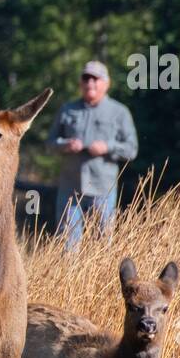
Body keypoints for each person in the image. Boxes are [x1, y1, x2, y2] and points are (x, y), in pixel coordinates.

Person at [47, 60, 139, 250]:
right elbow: (50, 144)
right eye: (86, 78)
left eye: (95, 79)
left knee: (102, 244)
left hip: (103, 189)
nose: (90, 83)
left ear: (106, 83)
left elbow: (132, 149)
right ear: (80, 83)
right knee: (68, 245)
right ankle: (69, 279)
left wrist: (107, 147)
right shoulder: (67, 110)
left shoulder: (119, 112)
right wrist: (65, 145)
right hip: (70, 189)